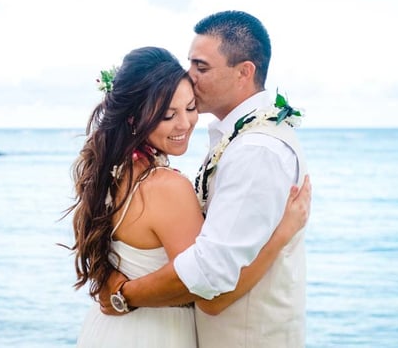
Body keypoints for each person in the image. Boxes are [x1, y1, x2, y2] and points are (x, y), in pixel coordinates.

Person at [66, 46, 311, 348]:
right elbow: (213, 296)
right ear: (133, 118)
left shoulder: (111, 171)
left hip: (106, 332)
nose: (185, 124)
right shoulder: (166, 186)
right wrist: (283, 233)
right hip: (155, 335)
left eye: (191, 107)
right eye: (168, 115)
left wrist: (119, 294)